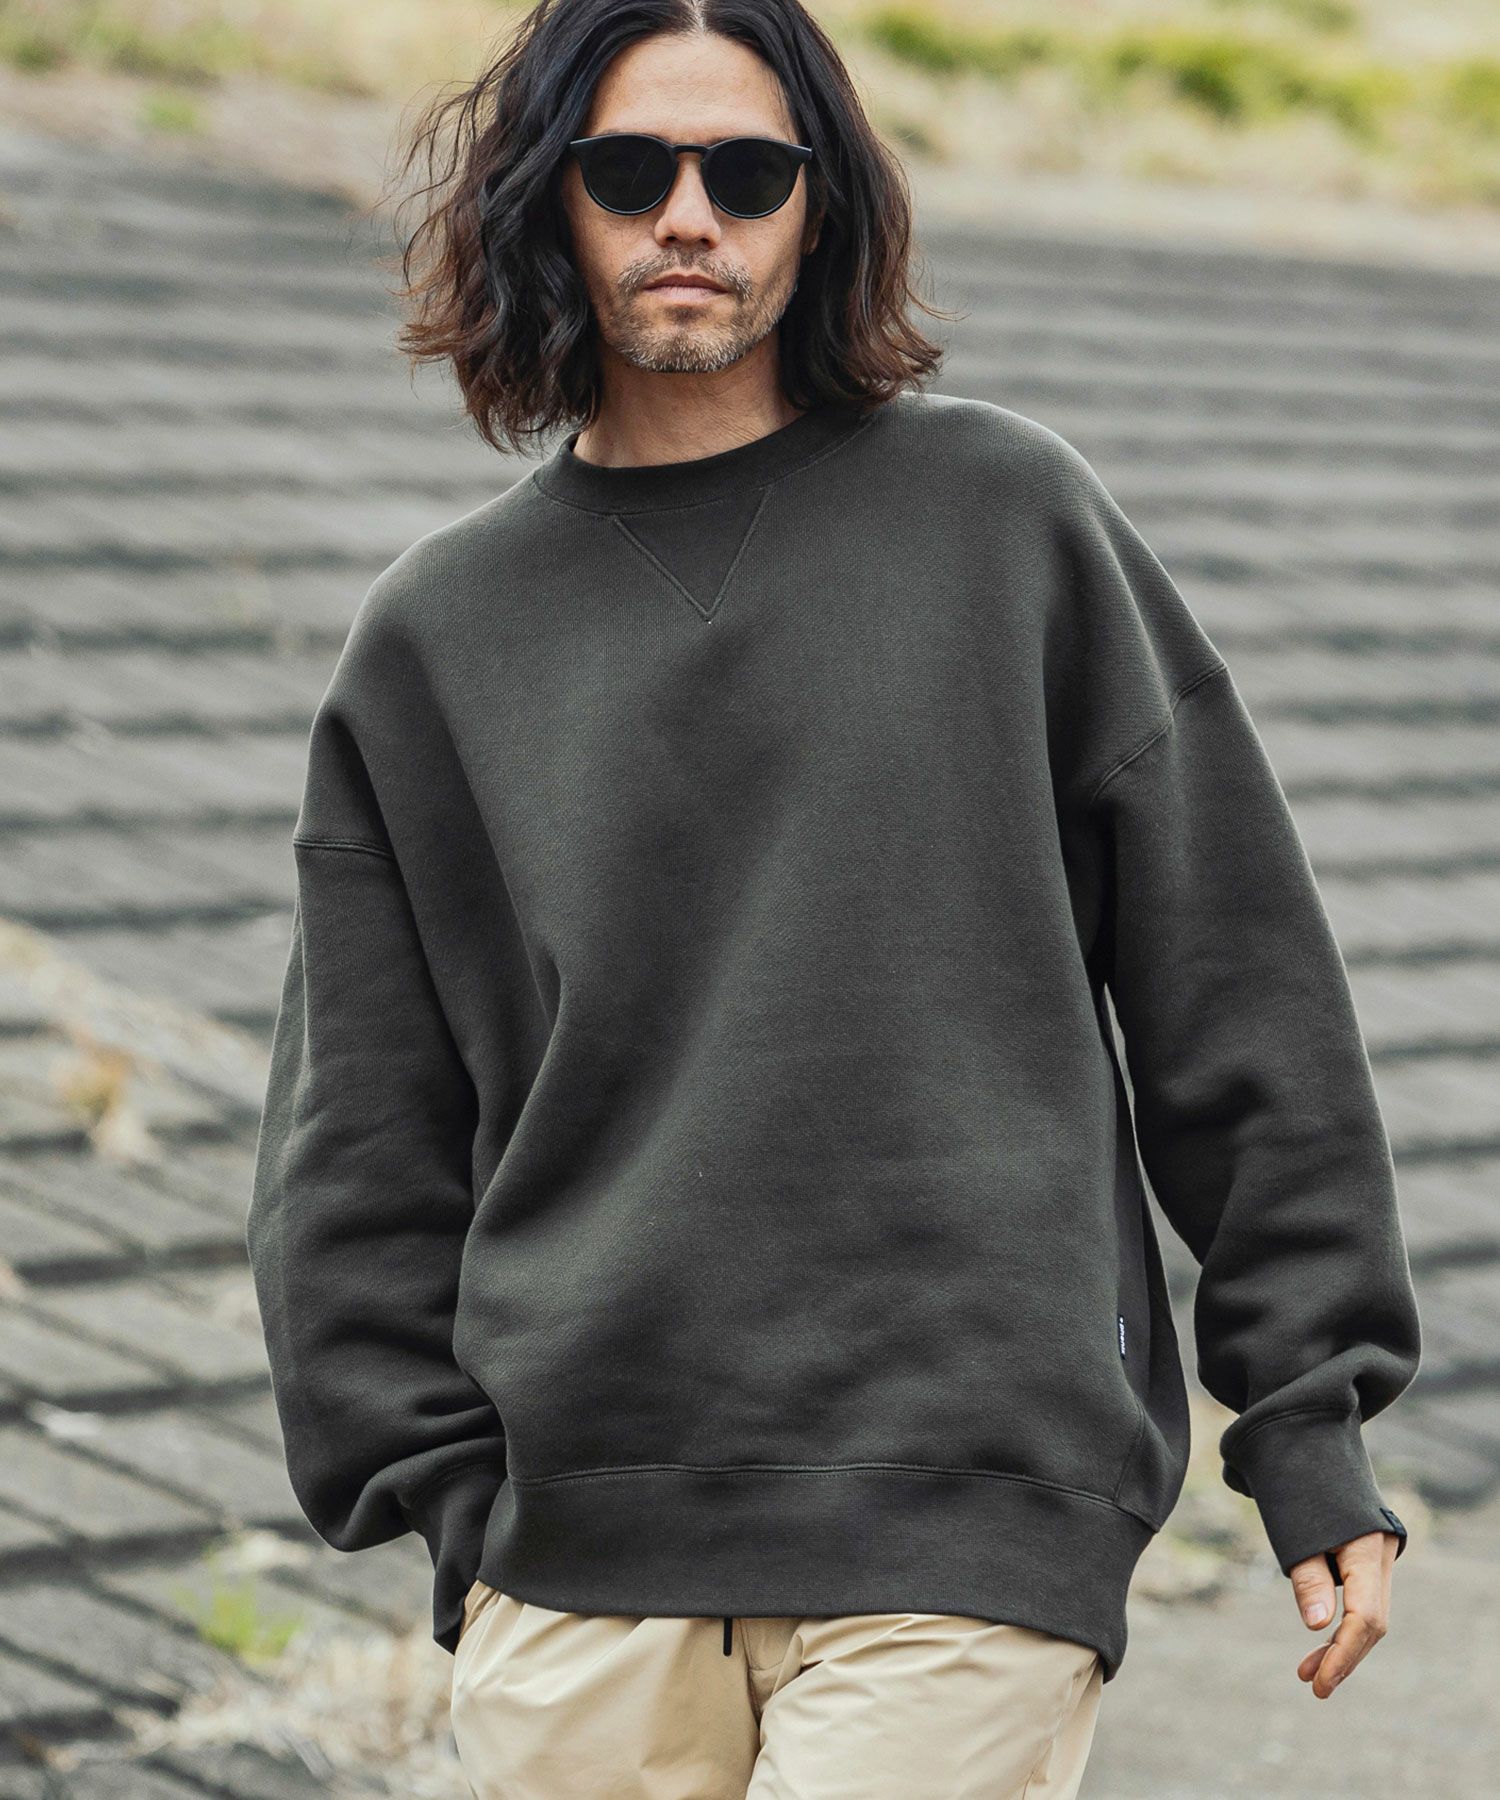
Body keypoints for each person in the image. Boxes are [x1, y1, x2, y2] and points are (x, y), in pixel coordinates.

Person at [245, 1, 1422, 1795]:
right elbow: (357, 1139)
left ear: (823, 205)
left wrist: (1309, 1421)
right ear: (549, 202)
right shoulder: (437, 639)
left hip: (965, 1512)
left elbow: (1238, 987)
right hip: (578, 1564)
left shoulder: (1007, 522)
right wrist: (454, 1512)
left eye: (748, 171)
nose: (689, 215)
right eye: (628, 170)